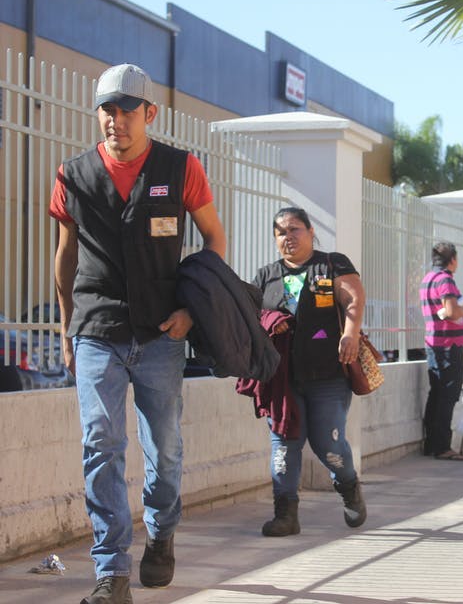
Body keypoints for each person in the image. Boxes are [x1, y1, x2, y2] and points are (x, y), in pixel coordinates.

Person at [50, 63, 227, 604]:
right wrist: (65, 328)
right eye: (107, 108)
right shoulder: (72, 175)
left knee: (166, 450)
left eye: (127, 109)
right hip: (96, 329)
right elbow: (64, 256)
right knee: (100, 445)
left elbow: (214, 241)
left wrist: (193, 313)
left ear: (149, 114)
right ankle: (111, 573)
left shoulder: (181, 168)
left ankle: (162, 531)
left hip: (161, 334)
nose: (115, 119)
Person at [243, 207, 368, 537]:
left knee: (327, 444)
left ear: (311, 232)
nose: (288, 237)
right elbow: (252, 319)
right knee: (285, 444)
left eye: (295, 229)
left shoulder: (330, 264)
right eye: (281, 232)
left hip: (328, 373)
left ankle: (348, 486)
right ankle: (285, 513)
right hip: (282, 379)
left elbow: (354, 297)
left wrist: (350, 333)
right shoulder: (265, 276)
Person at [421, 242, 463, 460]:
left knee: (436, 393)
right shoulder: (445, 280)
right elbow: (451, 312)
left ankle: (431, 444)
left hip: (434, 343)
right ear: (453, 259)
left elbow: (444, 312)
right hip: (448, 346)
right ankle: (442, 447)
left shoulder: (428, 279)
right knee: (447, 395)